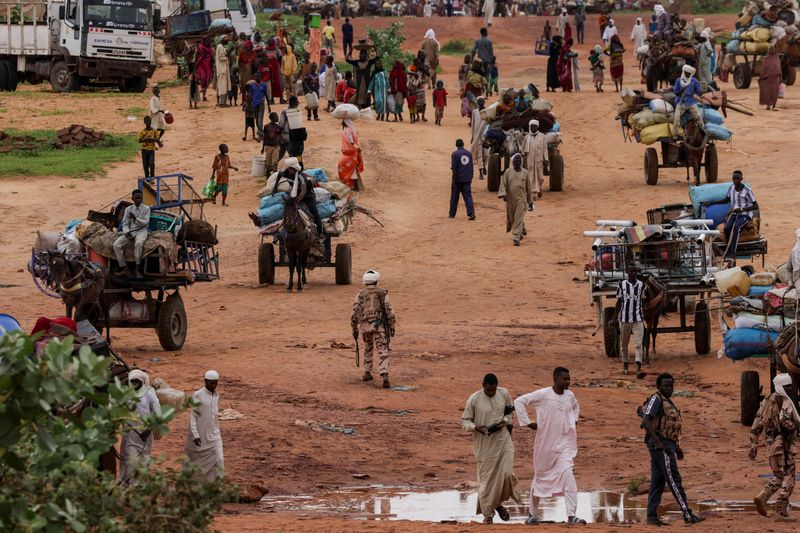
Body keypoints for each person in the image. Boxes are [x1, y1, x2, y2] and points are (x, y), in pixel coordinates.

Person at [515, 367, 586, 525]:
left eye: (569, 379)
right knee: (539, 478)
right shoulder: (543, 394)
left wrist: (573, 421)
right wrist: (528, 423)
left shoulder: (570, 395)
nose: (568, 382)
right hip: (545, 446)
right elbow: (519, 402)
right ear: (555, 379)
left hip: (565, 446)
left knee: (568, 476)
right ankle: (532, 515)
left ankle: (572, 515)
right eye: (564, 379)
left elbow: (575, 407)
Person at [461, 373, 522, 524]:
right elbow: (465, 421)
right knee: (486, 480)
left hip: (503, 441)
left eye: (493, 390)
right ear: (483, 385)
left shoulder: (503, 393)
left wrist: (505, 421)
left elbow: (510, 413)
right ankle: (488, 514)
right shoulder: (474, 399)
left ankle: (498, 502)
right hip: (484, 444)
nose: (491, 393)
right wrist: (476, 428)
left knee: (507, 475)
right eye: (488, 390)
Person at [749, 373, 799, 518]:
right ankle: (781, 510)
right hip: (784, 445)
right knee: (789, 475)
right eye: (788, 387)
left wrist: (753, 444)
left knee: (779, 475)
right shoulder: (786, 402)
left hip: (770, 445)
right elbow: (784, 419)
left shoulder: (766, 401)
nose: (790, 389)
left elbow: (756, 423)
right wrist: (794, 426)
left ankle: (763, 496)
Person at [351, 270, 396, 388]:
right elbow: (389, 311)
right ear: (376, 281)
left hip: (365, 327)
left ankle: (367, 372)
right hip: (380, 326)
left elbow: (355, 312)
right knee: (383, 349)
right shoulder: (382, 293)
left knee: (368, 347)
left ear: (365, 282)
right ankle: (384, 375)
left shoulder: (361, 294)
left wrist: (354, 328)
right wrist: (392, 325)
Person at [119, 369, 160, 484]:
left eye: (137, 382)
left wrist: (149, 429)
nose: (134, 384)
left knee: (144, 460)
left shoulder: (149, 394)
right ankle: (132, 486)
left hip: (145, 435)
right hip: (130, 435)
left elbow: (157, 413)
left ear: (142, 382)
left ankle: (141, 485)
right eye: (132, 382)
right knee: (132, 461)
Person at [185, 370, 224, 481]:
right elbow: (193, 416)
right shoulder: (198, 395)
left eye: (216, 383)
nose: (214, 385)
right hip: (200, 435)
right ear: (205, 381)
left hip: (215, 434)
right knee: (197, 462)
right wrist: (195, 434)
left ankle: (218, 485)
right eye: (211, 383)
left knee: (219, 459)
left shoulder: (216, 395)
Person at [613, 265, 647, 374]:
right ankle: (625, 365)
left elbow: (643, 300)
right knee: (624, 344)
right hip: (624, 319)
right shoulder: (621, 285)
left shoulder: (642, 286)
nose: (634, 273)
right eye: (631, 271)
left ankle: (638, 368)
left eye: (635, 271)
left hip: (638, 319)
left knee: (638, 344)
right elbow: (618, 302)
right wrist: (614, 318)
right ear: (627, 272)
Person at [113, 189, 150, 277]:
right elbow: (125, 224)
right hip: (131, 231)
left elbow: (146, 222)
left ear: (142, 199)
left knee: (138, 243)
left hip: (142, 231)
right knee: (116, 245)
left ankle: (137, 269)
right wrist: (126, 231)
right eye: (136, 198)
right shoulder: (128, 209)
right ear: (132, 198)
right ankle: (125, 268)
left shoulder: (147, 208)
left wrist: (135, 219)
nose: (138, 200)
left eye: (140, 198)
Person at [498, 154, 533, 247]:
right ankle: (522, 230)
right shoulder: (508, 172)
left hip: (521, 199)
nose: (517, 161)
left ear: (521, 162)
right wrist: (503, 194)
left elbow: (529, 188)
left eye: (519, 160)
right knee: (513, 218)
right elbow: (503, 184)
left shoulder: (525, 173)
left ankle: (516, 237)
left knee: (518, 216)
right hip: (510, 200)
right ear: (512, 162)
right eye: (515, 160)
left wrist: (530, 201)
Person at [723, 171, 759, 259]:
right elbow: (726, 199)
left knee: (736, 227)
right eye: (734, 179)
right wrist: (710, 202)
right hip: (734, 213)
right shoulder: (731, 188)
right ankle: (728, 247)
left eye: (737, 179)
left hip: (745, 214)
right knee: (726, 228)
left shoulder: (747, 191)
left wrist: (742, 209)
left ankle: (732, 253)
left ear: (741, 179)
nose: (735, 181)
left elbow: (755, 206)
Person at [672, 65, 703, 135]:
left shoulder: (694, 80)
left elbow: (699, 90)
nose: (688, 75)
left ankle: (702, 130)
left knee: (698, 116)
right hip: (681, 103)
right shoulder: (678, 81)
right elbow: (675, 92)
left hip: (691, 103)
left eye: (689, 73)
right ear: (684, 72)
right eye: (687, 73)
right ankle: (676, 134)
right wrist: (681, 91)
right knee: (676, 119)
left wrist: (699, 93)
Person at [449, 139, 476, 220]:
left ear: (456, 145)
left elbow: (454, 168)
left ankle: (452, 214)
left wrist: (454, 179)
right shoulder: (469, 154)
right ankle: (471, 212)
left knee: (454, 197)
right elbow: (471, 166)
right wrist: (470, 177)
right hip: (467, 178)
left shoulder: (455, 154)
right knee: (468, 196)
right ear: (463, 144)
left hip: (458, 179)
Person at [338, 118, 364, 190]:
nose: (342, 123)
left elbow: (351, 142)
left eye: (343, 122)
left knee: (347, 169)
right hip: (352, 153)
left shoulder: (347, 130)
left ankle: (352, 187)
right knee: (353, 170)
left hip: (349, 153)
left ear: (345, 122)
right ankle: (356, 186)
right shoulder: (350, 129)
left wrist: (357, 148)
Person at [523, 119, 547, 199]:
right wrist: (523, 156)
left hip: (539, 160)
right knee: (531, 176)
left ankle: (539, 187)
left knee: (540, 177)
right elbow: (523, 148)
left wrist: (546, 159)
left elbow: (545, 148)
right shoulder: (527, 137)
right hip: (529, 160)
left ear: (537, 127)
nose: (533, 128)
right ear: (529, 127)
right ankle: (533, 194)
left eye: (535, 126)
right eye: (532, 126)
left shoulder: (542, 136)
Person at [280, 96, 306, 165]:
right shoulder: (285, 111)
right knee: (292, 155)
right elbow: (281, 124)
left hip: (295, 136)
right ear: (292, 102)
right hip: (287, 136)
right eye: (296, 101)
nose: (298, 103)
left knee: (294, 154)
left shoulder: (297, 110)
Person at [759, 46, 782, 111]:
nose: (771, 51)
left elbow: (779, 68)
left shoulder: (776, 58)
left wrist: (780, 78)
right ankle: (768, 105)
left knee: (774, 92)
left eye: (772, 49)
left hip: (775, 78)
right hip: (768, 78)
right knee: (768, 92)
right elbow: (763, 70)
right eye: (770, 49)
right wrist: (761, 77)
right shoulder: (766, 59)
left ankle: (773, 106)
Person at [470, 97, 487, 178]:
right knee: (479, 154)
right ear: (477, 102)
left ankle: (484, 165)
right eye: (479, 101)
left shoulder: (488, 111)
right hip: (477, 137)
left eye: (481, 101)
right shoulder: (474, 112)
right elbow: (473, 124)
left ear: (484, 102)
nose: (480, 102)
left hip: (486, 136)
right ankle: (480, 171)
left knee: (486, 154)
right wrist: (472, 136)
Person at [261, 112, 282, 176]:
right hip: (268, 146)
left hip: (276, 146)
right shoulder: (266, 126)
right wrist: (262, 147)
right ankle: (268, 175)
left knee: (275, 162)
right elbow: (264, 137)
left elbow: (279, 136)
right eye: (276, 117)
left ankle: (274, 175)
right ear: (272, 118)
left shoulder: (278, 127)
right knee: (268, 162)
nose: (278, 118)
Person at [195, 37, 214, 101]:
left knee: (206, 81)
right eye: (206, 40)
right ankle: (203, 95)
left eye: (208, 40)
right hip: (202, 66)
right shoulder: (200, 47)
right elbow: (197, 57)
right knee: (203, 80)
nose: (207, 42)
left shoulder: (210, 49)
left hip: (208, 67)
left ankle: (204, 95)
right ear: (203, 41)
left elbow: (212, 58)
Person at [214, 37, 230, 106]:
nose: (227, 42)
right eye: (226, 41)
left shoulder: (221, 47)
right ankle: (222, 103)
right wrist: (227, 55)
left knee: (223, 85)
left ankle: (221, 102)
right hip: (222, 70)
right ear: (223, 40)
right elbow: (221, 57)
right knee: (223, 86)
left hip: (224, 69)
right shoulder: (220, 46)